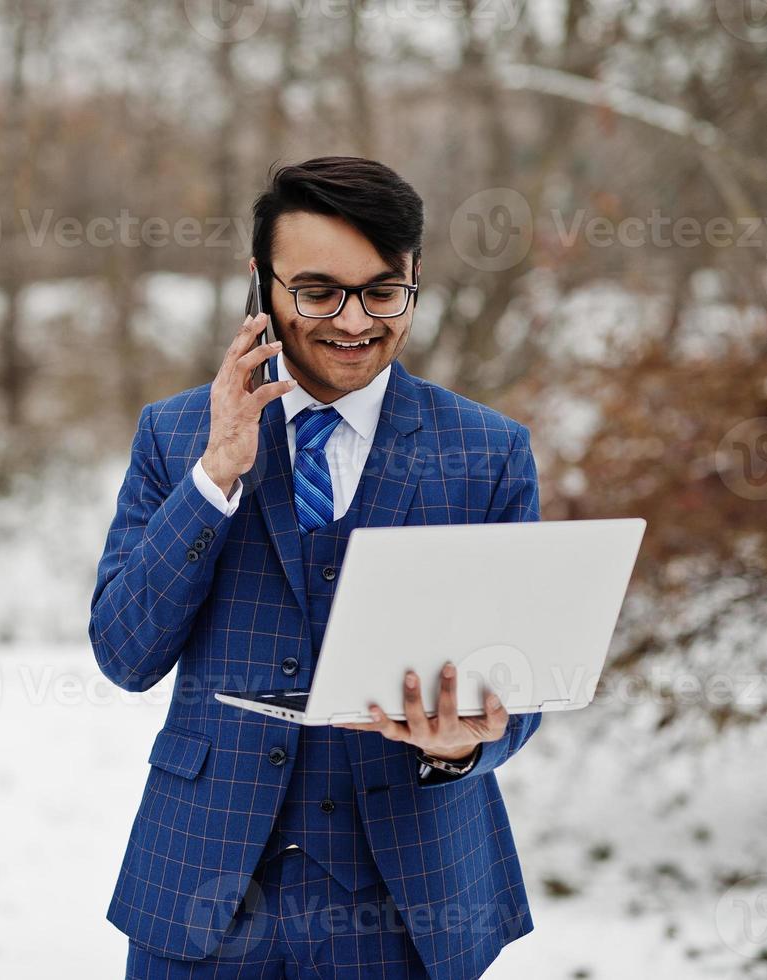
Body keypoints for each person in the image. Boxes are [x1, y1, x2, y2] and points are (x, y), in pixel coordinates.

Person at [89, 156, 541, 979]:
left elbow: (526, 683)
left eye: (381, 291)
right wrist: (215, 474)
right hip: (203, 886)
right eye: (316, 290)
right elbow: (125, 652)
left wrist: (463, 748)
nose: (351, 320)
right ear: (260, 283)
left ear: (414, 281)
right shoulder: (174, 434)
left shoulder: (487, 451)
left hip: (410, 900)